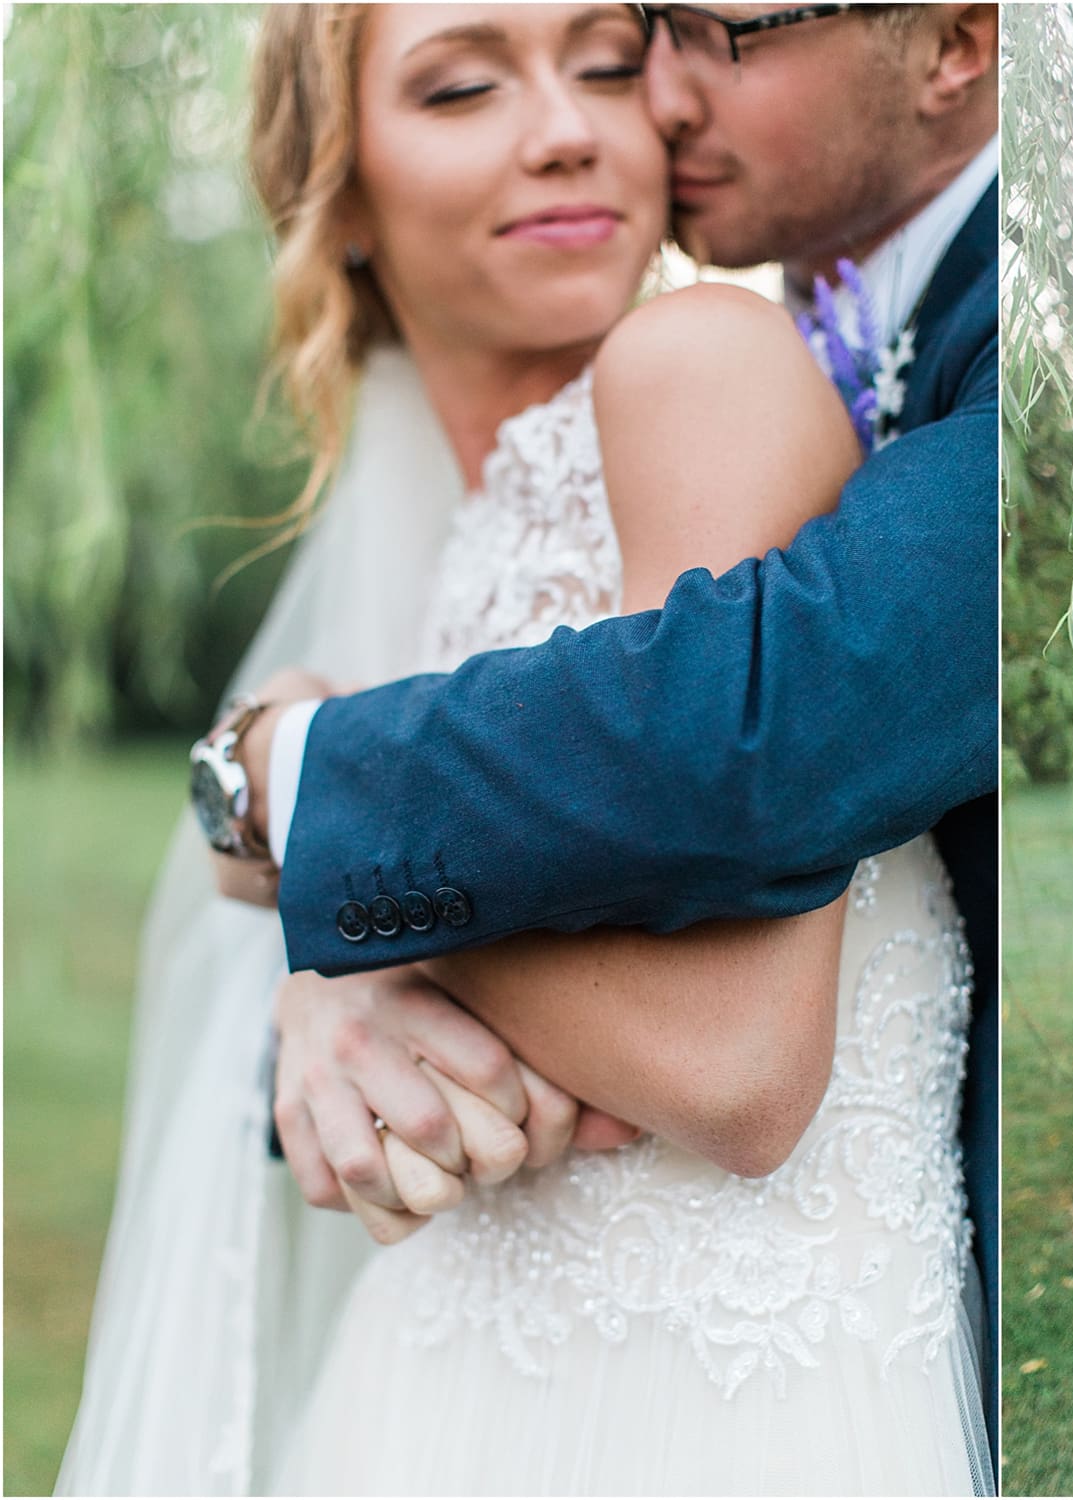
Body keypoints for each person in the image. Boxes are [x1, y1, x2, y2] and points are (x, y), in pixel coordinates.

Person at [59, 3, 996, 1493]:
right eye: (464, 84)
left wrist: (348, 929)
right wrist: (325, 969)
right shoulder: (444, 541)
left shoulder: (705, 368)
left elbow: (736, 1068)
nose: (565, 125)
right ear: (340, 188)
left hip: (724, 1417)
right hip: (442, 1391)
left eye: (611, 65)